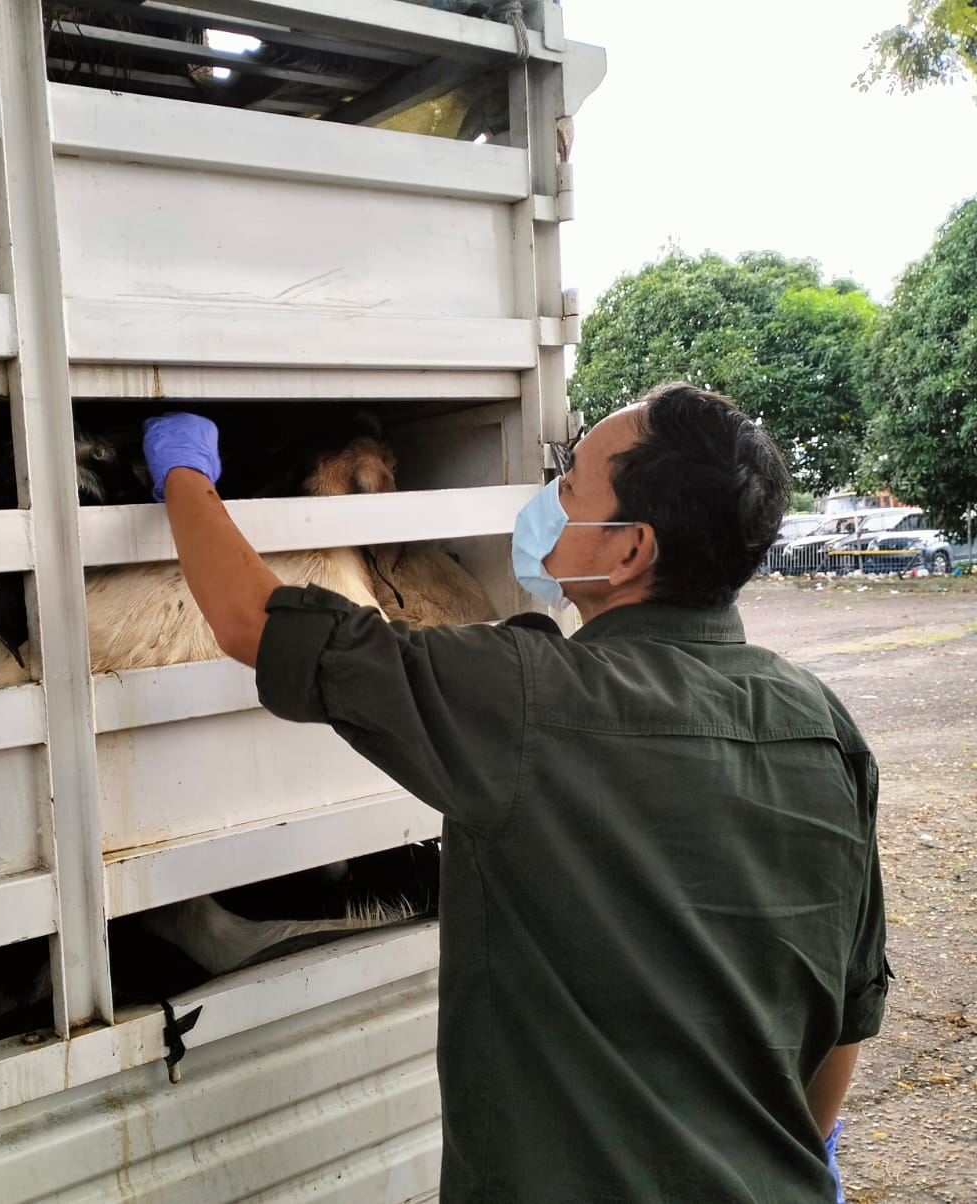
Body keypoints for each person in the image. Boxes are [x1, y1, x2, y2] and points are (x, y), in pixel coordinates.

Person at [142, 382, 888, 1203]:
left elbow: (255, 620)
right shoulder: (826, 728)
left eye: (570, 486)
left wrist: (185, 475)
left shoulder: (526, 698)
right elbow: (844, 1023)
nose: (550, 497)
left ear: (629, 550)